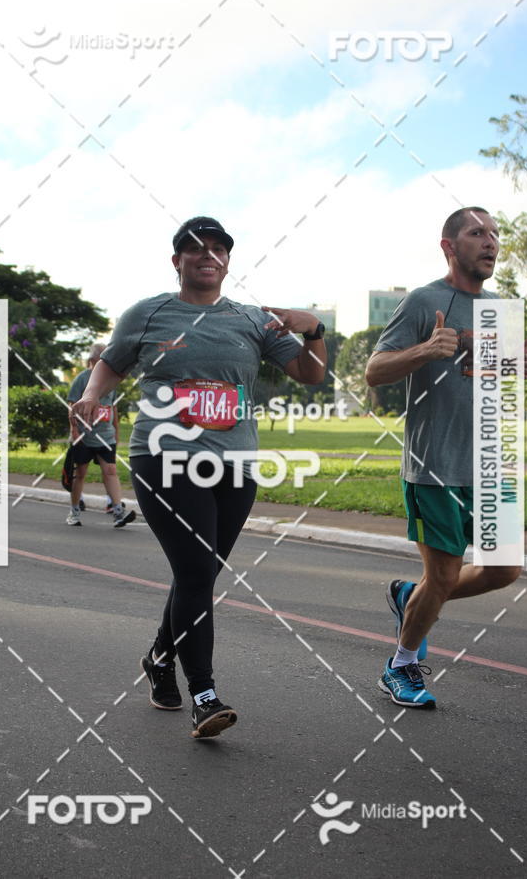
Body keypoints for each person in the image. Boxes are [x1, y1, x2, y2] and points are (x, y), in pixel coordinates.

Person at [70, 216, 327, 738]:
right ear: (177, 260)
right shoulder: (147, 313)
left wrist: (315, 329)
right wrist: (93, 396)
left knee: (201, 574)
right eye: (196, 248)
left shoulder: (253, 320)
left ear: (228, 261)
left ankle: (159, 658)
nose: (208, 255)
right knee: (194, 575)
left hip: (235, 463)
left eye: (218, 248)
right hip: (164, 459)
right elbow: (113, 363)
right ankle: (204, 695)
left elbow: (311, 374)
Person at [365, 207, 527, 708]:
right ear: (449, 246)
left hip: (493, 466)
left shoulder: (504, 309)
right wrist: (425, 350)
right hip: (436, 466)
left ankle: (411, 596)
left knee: (504, 570)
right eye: (476, 232)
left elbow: (492, 383)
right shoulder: (425, 301)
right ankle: (400, 666)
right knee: (442, 575)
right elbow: (375, 370)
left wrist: (520, 366)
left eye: (494, 234)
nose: (490, 241)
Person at [66, 343, 136, 529]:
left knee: (110, 471)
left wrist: (116, 430)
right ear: (92, 360)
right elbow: (71, 405)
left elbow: (113, 407)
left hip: (106, 436)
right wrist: (74, 431)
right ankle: (74, 512)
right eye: (102, 358)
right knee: (80, 473)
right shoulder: (82, 379)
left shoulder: (110, 380)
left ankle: (118, 511)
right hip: (84, 436)